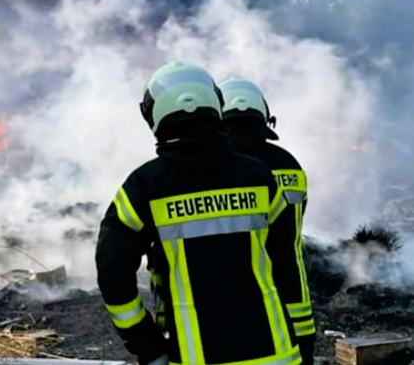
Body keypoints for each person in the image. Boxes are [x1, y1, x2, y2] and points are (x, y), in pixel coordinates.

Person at [95, 60, 301, 365]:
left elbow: (112, 271)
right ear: (216, 104)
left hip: (194, 356)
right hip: (276, 354)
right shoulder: (259, 176)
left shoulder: (144, 186)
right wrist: (304, 335)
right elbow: (287, 262)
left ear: (153, 115)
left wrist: (144, 342)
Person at [219, 76, 316, 365]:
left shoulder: (218, 167)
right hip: (294, 306)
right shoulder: (290, 165)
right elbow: (291, 234)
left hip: (228, 312)